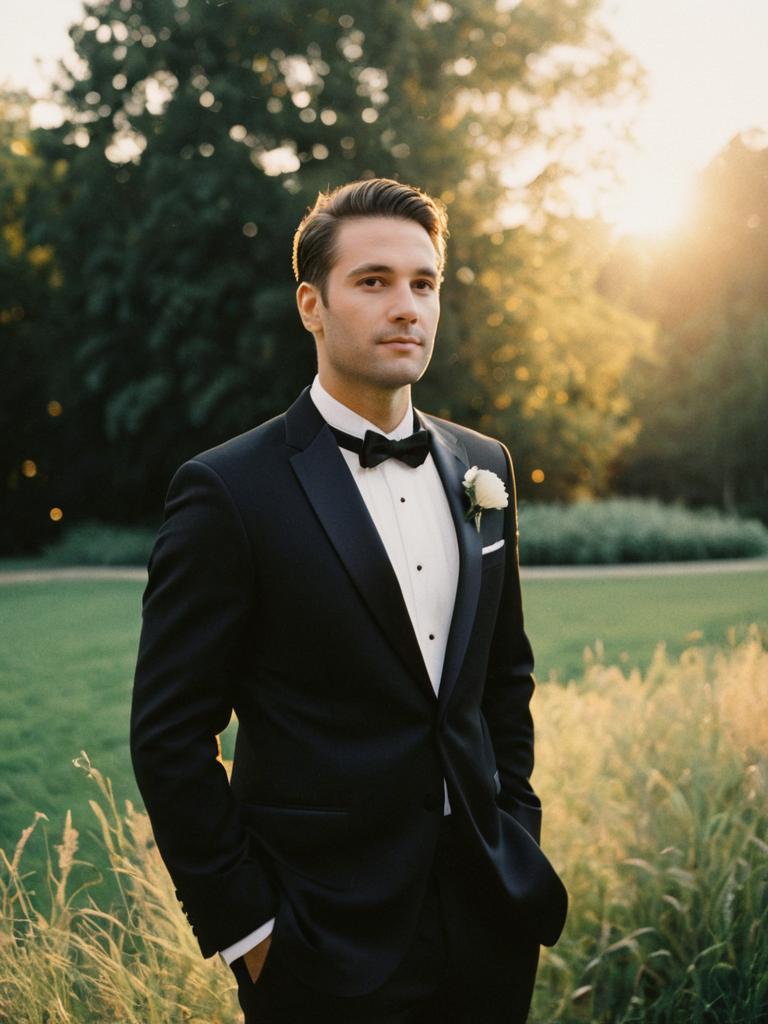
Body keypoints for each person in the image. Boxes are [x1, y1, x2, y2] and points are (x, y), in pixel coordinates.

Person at [130, 177, 567, 1024]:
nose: (406, 306)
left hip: (489, 912)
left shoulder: (485, 466)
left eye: (424, 283)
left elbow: (503, 675)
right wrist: (249, 926)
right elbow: (169, 734)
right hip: (318, 941)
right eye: (373, 281)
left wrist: (517, 826)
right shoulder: (228, 490)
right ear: (311, 305)